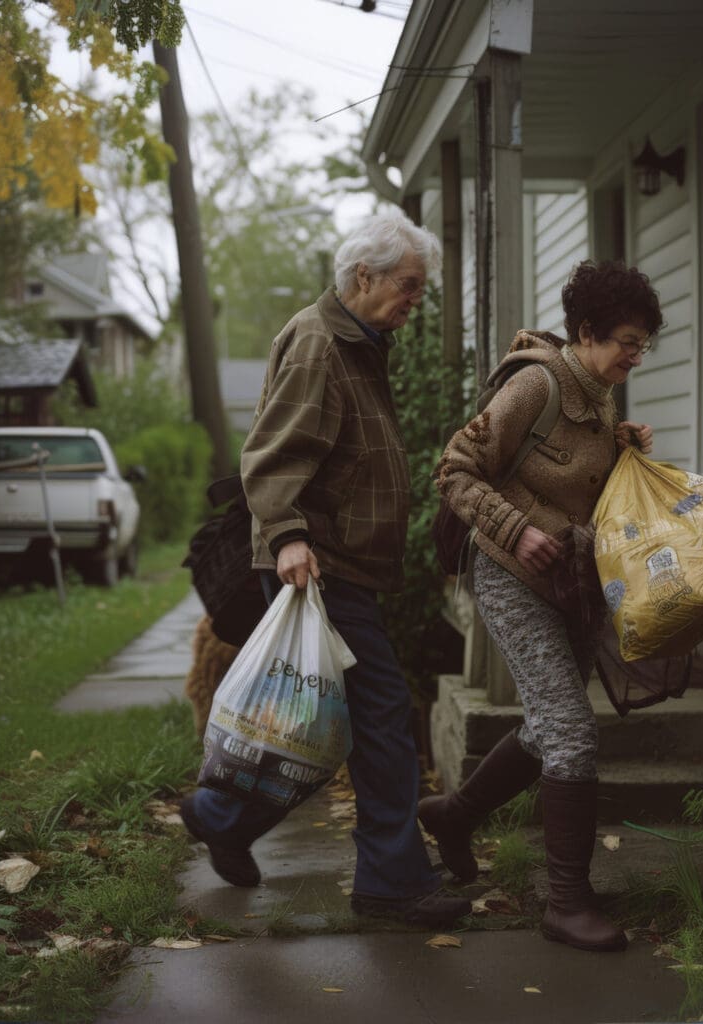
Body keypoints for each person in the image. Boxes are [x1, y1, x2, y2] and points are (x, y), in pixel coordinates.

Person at [181, 208, 471, 929]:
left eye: (419, 288)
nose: (415, 300)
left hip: (342, 567)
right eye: (408, 285)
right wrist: (285, 536)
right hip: (318, 565)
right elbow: (274, 454)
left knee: (316, 723)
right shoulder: (320, 343)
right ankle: (390, 881)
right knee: (380, 721)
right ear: (363, 276)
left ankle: (223, 815)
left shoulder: (359, 342)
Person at [421, 259, 663, 952]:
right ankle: (566, 901)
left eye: (643, 344)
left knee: (549, 725)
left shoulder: (602, 392)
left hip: (571, 580)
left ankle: (454, 815)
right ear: (585, 332)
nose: (634, 355)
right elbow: (454, 470)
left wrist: (625, 452)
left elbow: (573, 480)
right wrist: (514, 530)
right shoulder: (536, 384)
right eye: (624, 340)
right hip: (509, 574)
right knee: (571, 732)